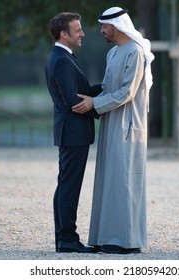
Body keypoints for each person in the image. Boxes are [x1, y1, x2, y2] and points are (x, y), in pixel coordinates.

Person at [72, 7, 154, 254]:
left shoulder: (136, 52)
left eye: (104, 27)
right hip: (110, 123)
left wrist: (94, 104)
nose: (101, 31)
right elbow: (109, 88)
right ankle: (105, 236)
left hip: (128, 125)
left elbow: (127, 92)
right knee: (108, 180)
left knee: (125, 181)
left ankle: (126, 241)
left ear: (116, 27)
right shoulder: (112, 54)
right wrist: (92, 96)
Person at [44, 12, 101, 253]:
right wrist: (101, 103)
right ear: (64, 34)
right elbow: (73, 101)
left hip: (71, 131)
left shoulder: (63, 56)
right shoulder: (61, 60)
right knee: (69, 185)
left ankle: (63, 238)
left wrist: (108, 88)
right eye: (78, 30)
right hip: (73, 132)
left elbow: (84, 91)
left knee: (65, 184)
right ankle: (67, 239)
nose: (83, 34)